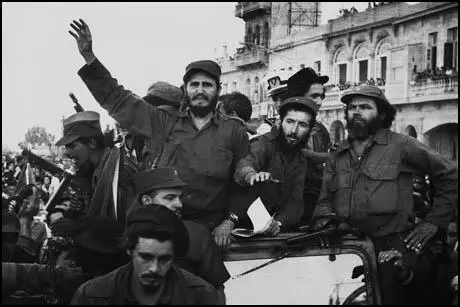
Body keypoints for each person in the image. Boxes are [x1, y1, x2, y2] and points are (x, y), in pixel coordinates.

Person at [69, 19, 249, 246]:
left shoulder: (234, 130)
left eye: (207, 85)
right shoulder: (163, 122)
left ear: (218, 90)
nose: (200, 91)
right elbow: (119, 99)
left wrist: (230, 221)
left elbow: (244, 185)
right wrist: (90, 58)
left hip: (210, 232)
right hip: (162, 226)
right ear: (186, 91)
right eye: (194, 85)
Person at [312, 84, 458, 304]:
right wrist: (327, 228)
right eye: (352, 107)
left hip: (394, 254)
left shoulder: (401, 146)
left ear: (381, 114)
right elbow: (324, 203)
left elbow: (450, 174)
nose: (357, 111)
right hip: (350, 252)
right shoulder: (338, 154)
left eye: (365, 107)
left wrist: (433, 222)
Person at [70, 205, 221, 305]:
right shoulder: (92, 296)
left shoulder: (201, 297)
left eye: (164, 259)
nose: (154, 268)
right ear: (130, 250)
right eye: (146, 257)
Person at [222, 97, 318, 246]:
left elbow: (295, 202)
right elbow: (245, 165)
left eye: (302, 125)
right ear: (280, 123)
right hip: (237, 229)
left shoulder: (300, 161)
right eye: (290, 122)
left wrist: (278, 223)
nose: (293, 130)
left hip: (268, 236)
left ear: (311, 131)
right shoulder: (263, 144)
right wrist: (252, 175)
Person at [129, 167, 230, 303]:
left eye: (180, 197)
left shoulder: (198, 234)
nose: (179, 204)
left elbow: (216, 287)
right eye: (170, 198)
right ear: (147, 200)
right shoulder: (128, 235)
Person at [55, 110, 137, 226]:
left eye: (72, 146)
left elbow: (127, 224)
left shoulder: (120, 170)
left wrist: (81, 227)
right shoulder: (96, 171)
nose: (66, 153)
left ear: (92, 143)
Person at [286, 67, 334, 222]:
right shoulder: (283, 126)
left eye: (322, 96)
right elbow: (301, 154)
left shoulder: (321, 129)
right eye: (314, 96)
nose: (320, 102)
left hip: (316, 202)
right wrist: (331, 156)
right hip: (290, 205)